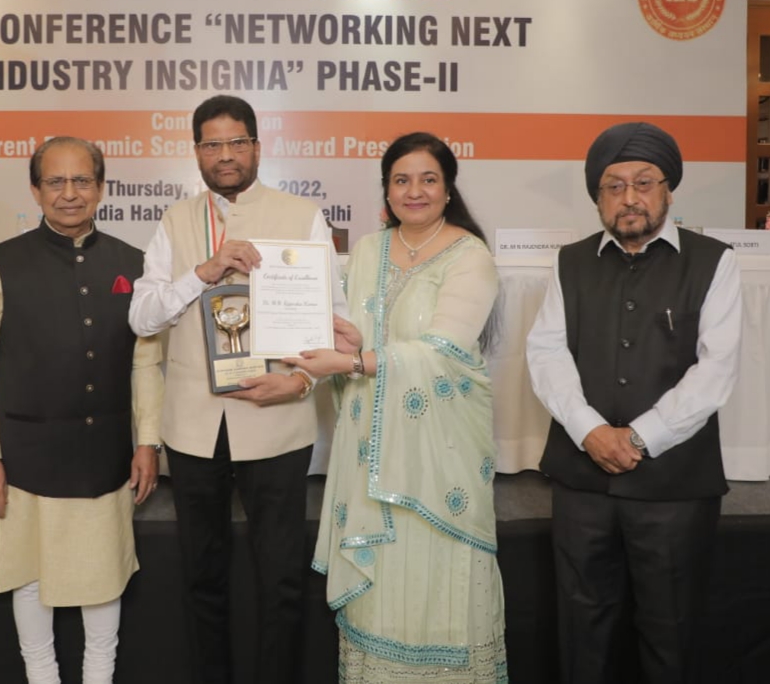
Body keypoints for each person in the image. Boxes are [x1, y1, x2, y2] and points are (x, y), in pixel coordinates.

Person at [128, 95, 348, 684]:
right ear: (196, 151)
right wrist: (202, 272)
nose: (225, 155)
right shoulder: (176, 221)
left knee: (281, 579)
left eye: (237, 142)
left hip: (277, 423)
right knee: (202, 577)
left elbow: (336, 320)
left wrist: (300, 380)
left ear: (256, 146)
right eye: (212, 144)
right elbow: (141, 318)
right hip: (194, 427)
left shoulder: (302, 216)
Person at [526, 122, 741, 684]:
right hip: (582, 481)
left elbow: (716, 369)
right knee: (582, 627)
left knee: (670, 631)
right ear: (597, 196)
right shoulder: (569, 262)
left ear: (668, 190)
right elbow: (546, 352)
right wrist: (590, 431)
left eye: (643, 183)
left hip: (675, 485)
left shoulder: (714, 261)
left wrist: (641, 436)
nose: (629, 198)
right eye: (614, 186)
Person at [290, 132, 507, 682]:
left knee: (439, 584)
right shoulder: (368, 250)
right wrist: (348, 342)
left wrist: (353, 361)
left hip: (442, 458)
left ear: (448, 188)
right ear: (386, 190)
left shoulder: (471, 256)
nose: (415, 191)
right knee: (383, 587)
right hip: (372, 453)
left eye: (428, 179)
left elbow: (444, 350)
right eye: (401, 180)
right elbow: (367, 338)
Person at [0, 136, 163, 684]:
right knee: (30, 579)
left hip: (105, 456)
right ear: (35, 189)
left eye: (82, 181)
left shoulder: (133, 262)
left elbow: (146, 364)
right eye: (55, 181)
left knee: (103, 579)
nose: (69, 193)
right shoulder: (4, 261)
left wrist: (148, 442)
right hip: (24, 457)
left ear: (101, 187)